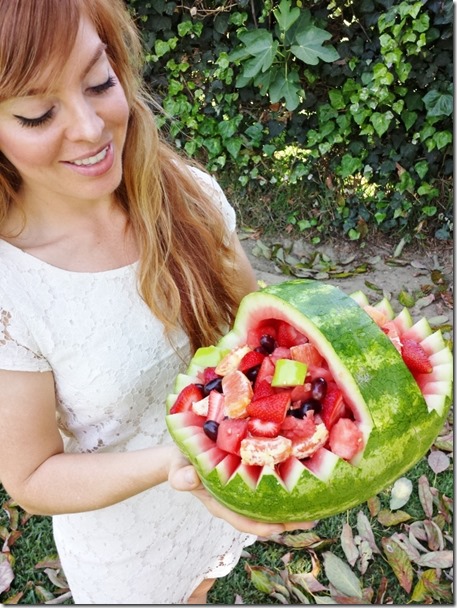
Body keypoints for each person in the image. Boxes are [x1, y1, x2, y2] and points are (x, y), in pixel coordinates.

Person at [0, 0, 313, 604]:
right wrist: (182, 459)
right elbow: (31, 478)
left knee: (201, 589)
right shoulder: (12, 289)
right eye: (39, 114)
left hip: (216, 492)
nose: (91, 129)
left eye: (99, 82)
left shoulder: (186, 195)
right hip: (126, 536)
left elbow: (259, 338)